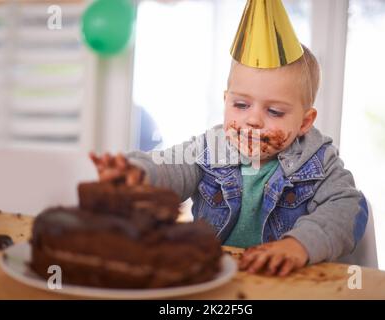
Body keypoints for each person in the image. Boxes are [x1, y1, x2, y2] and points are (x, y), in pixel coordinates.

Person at [90, 0, 368, 277]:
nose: (253, 119)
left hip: (287, 284)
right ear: (226, 101)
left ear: (305, 122)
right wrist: (137, 173)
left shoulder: (319, 162)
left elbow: (348, 209)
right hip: (215, 280)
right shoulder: (210, 149)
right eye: (241, 105)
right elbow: (168, 168)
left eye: (274, 111)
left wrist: (299, 245)